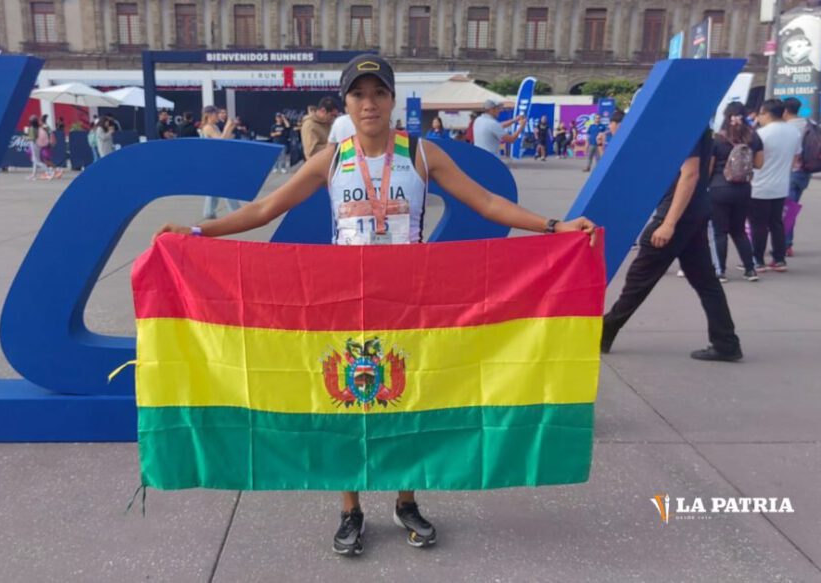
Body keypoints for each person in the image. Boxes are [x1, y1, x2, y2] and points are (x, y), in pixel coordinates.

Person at [152, 54, 597, 556]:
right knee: (346, 399)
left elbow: (487, 202)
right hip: (345, 300)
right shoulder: (331, 159)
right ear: (346, 103)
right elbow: (265, 209)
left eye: (379, 93)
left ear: (392, 100)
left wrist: (554, 226)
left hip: (409, 301)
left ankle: (407, 501)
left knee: (411, 397)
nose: (369, 104)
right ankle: (350, 509)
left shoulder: (422, 153)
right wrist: (197, 231)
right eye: (359, 94)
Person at [602, 114, 743, 362]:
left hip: (679, 215)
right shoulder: (694, 124)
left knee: (639, 277)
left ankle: (605, 331)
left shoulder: (683, 123)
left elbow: (690, 174)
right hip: (693, 211)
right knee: (705, 281)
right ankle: (726, 342)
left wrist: (668, 223)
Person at [709, 101, 764, 282]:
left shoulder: (718, 138)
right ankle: (750, 270)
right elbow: (759, 164)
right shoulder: (753, 138)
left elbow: (709, 168)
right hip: (743, 189)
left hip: (719, 188)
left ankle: (721, 271)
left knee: (720, 232)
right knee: (739, 231)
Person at [750, 99, 801, 272]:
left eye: (760, 114)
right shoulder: (794, 132)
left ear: (766, 114)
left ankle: (757, 260)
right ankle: (779, 259)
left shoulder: (761, 133)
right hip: (781, 185)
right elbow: (795, 158)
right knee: (776, 223)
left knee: (758, 225)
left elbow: (753, 159)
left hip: (759, 185)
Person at [200, 105, 241, 219]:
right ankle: (236, 212)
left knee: (215, 188)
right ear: (209, 115)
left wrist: (231, 127)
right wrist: (228, 126)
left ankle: (209, 212)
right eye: (216, 114)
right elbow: (220, 141)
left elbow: (224, 140)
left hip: (216, 160)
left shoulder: (214, 127)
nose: (218, 116)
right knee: (226, 186)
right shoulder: (208, 128)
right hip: (213, 161)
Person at [782, 97, 809, 256]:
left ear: (785, 110)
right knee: (791, 208)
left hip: (790, 172)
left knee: (785, 210)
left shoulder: (787, 128)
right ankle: (785, 243)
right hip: (804, 172)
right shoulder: (809, 124)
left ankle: (785, 244)